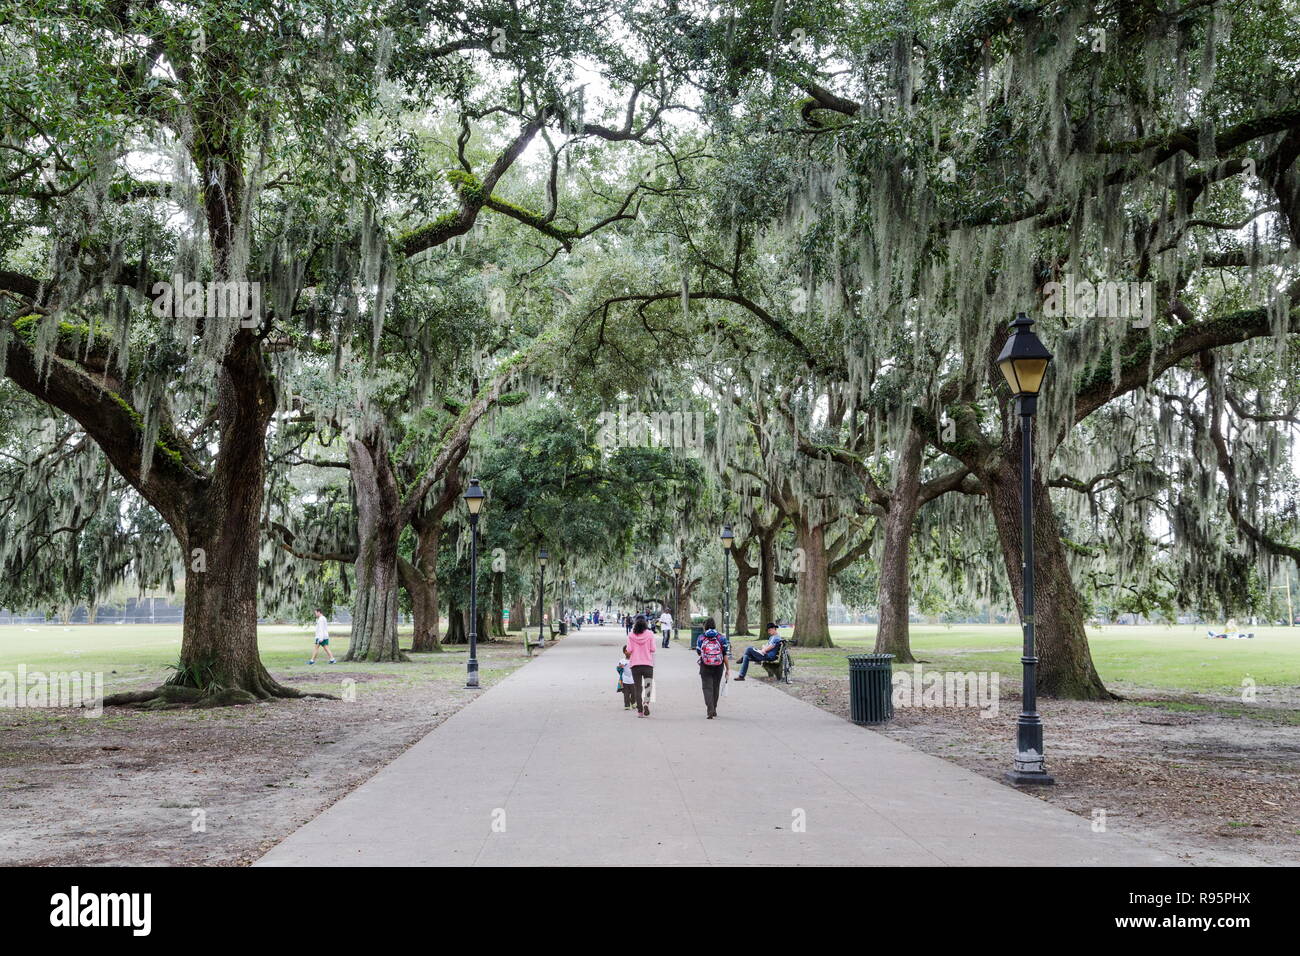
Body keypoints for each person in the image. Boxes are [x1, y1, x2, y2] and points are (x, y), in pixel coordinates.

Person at [695, 617, 730, 718]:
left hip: (705, 665)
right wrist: (727, 669)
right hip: (718, 666)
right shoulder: (721, 637)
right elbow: (725, 654)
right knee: (715, 687)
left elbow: (698, 653)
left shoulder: (701, 637)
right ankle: (714, 708)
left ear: (705, 626)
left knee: (707, 687)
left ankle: (710, 708)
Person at [626, 613, 656, 717]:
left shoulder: (631, 635)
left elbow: (629, 650)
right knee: (648, 685)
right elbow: (653, 649)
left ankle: (640, 712)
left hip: (635, 664)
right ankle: (646, 703)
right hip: (648, 664)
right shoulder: (650, 634)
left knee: (637, 688)